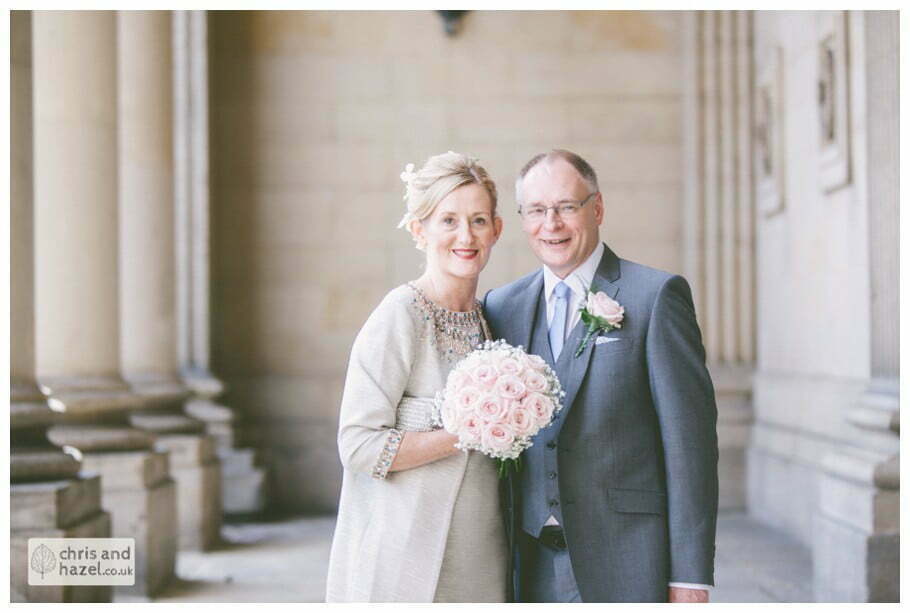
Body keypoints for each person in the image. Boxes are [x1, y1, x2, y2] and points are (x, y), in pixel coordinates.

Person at [483, 150, 718, 603]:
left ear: (598, 208)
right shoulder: (501, 307)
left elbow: (690, 444)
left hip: (628, 562)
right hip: (524, 568)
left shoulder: (654, 297)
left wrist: (690, 575)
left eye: (566, 207)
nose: (550, 223)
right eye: (536, 210)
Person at [326, 151, 508, 602]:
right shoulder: (400, 315)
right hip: (407, 560)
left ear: (497, 230)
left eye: (479, 220)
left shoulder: (494, 319)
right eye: (448, 220)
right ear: (418, 229)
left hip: (482, 559)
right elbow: (358, 444)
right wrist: (462, 433)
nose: (466, 236)